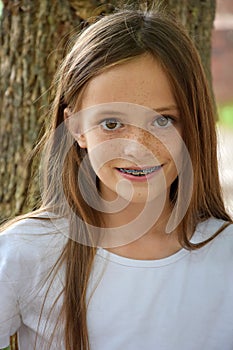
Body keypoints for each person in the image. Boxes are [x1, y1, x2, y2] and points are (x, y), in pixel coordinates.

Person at [0, 8, 233, 350]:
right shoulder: (27, 252)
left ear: (193, 124)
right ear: (76, 127)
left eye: (162, 121)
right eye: (112, 123)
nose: (138, 148)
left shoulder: (226, 255)